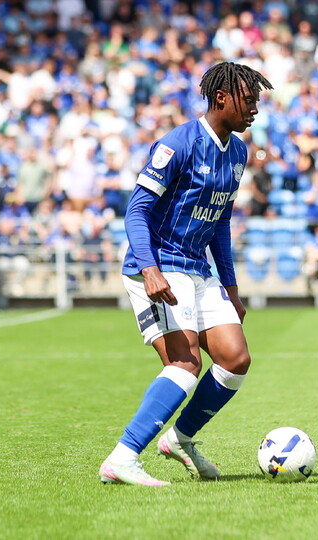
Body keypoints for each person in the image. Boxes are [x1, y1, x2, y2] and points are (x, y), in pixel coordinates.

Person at [99, 62, 273, 486]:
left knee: (235, 359)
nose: (254, 111)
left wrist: (230, 287)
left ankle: (181, 438)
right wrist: (150, 269)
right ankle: (122, 458)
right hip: (158, 266)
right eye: (249, 101)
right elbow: (136, 210)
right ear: (222, 98)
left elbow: (220, 222)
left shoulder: (238, 152)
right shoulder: (177, 144)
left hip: (199, 268)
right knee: (185, 362)